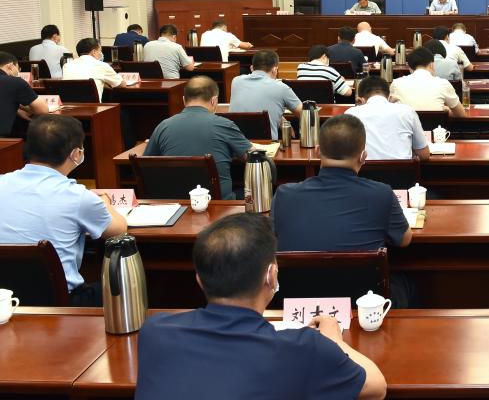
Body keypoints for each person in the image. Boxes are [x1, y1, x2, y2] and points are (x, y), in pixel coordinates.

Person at [136, 213, 385, 400]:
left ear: (199, 279)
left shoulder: (154, 331)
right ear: (271, 276)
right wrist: (334, 340)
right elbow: (376, 387)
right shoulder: (305, 348)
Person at [0, 115, 127, 306]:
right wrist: (105, 203)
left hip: (5, 299)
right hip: (60, 303)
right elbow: (118, 230)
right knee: (121, 285)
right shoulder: (78, 196)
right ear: (76, 154)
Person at [272, 115, 413, 253]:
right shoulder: (382, 194)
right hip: (361, 270)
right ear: (363, 156)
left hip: (298, 270)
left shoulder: (284, 195)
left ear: (317, 152)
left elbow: (274, 237)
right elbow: (404, 240)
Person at [145, 77, 253, 199]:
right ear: (214, 101)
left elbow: (146, 163)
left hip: (175, 203)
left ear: (184, 100)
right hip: (218, 204)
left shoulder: (163, 126)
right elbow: (253, 158)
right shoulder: (225, 125)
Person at [346, 77, 429, 161]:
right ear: (389, 97)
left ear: (360, 100)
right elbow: (424, 155)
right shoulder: (407, 111)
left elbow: (344, 153)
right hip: (401, 169)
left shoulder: (351, 114)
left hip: (362, 169)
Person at [229, 50, 302, 139]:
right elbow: (305, 114)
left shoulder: (236, 81)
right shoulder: (281, 88)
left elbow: (254, 103)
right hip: (267, 145)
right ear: (275, 70)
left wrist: (280, 118)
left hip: (236, 143)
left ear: (252, 68)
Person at [390, 46, 467, 116]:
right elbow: (461, 114)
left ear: (410, 68)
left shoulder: (396, 83)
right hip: (436, 127)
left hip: (408, 127)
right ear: (431, 65)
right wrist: (446, 111)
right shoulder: (443, 84)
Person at [0, 51, 47, 136]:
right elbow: (42, 110)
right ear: (10, 66)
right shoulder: (15, 82)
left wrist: (16, 108)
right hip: (3, 141)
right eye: (18, 68)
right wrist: (20, 106)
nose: (19, 71)